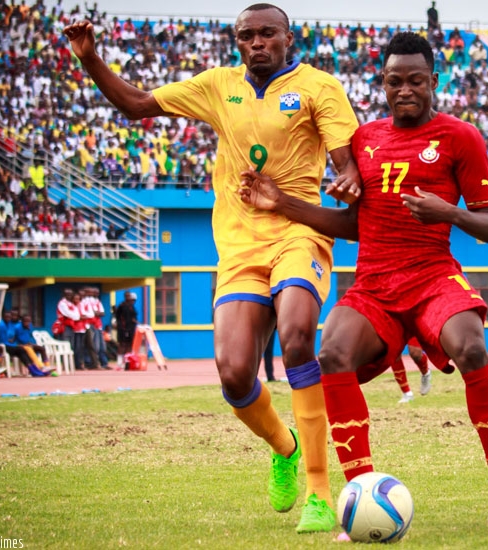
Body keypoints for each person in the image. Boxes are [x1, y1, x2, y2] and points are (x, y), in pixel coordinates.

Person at [65, 3, 360, 533]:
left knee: (297, 337)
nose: (257, 43)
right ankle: (285, 447)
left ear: (289, 38)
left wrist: (350, 178)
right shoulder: (218, 85)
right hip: (239, 247)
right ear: (237, 41)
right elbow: (136, 105)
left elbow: (347, 162)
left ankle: (319, 492)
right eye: (247, 35)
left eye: (267, 33)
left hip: (298, 232)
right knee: (234, 372)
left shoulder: (320, 87)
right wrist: (90, 59)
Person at [239, 31, 488, 533]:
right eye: (395, 81)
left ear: (434, 81)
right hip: (375, 283)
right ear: (382, 83)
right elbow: (355, 224)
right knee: (331, 354)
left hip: (433, 275)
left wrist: (448, 212)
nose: (405, 90)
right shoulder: (364, 140)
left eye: (416, 80)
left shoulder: (461, 137)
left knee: (471, 348)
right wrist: (283, 203)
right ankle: (359, 498)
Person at [115, 291, 138, 364]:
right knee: (122, 344)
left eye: (129, 296)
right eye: (127, 296)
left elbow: (133, 316)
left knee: (129, 344)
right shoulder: (122, 306)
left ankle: (127, 361)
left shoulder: (131, 306)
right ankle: (119, 362)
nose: (128, 297)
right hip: (123, 328)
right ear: (125, 296)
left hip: (131, 328)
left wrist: (135, 321)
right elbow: (117, 316)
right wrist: (120, 325)